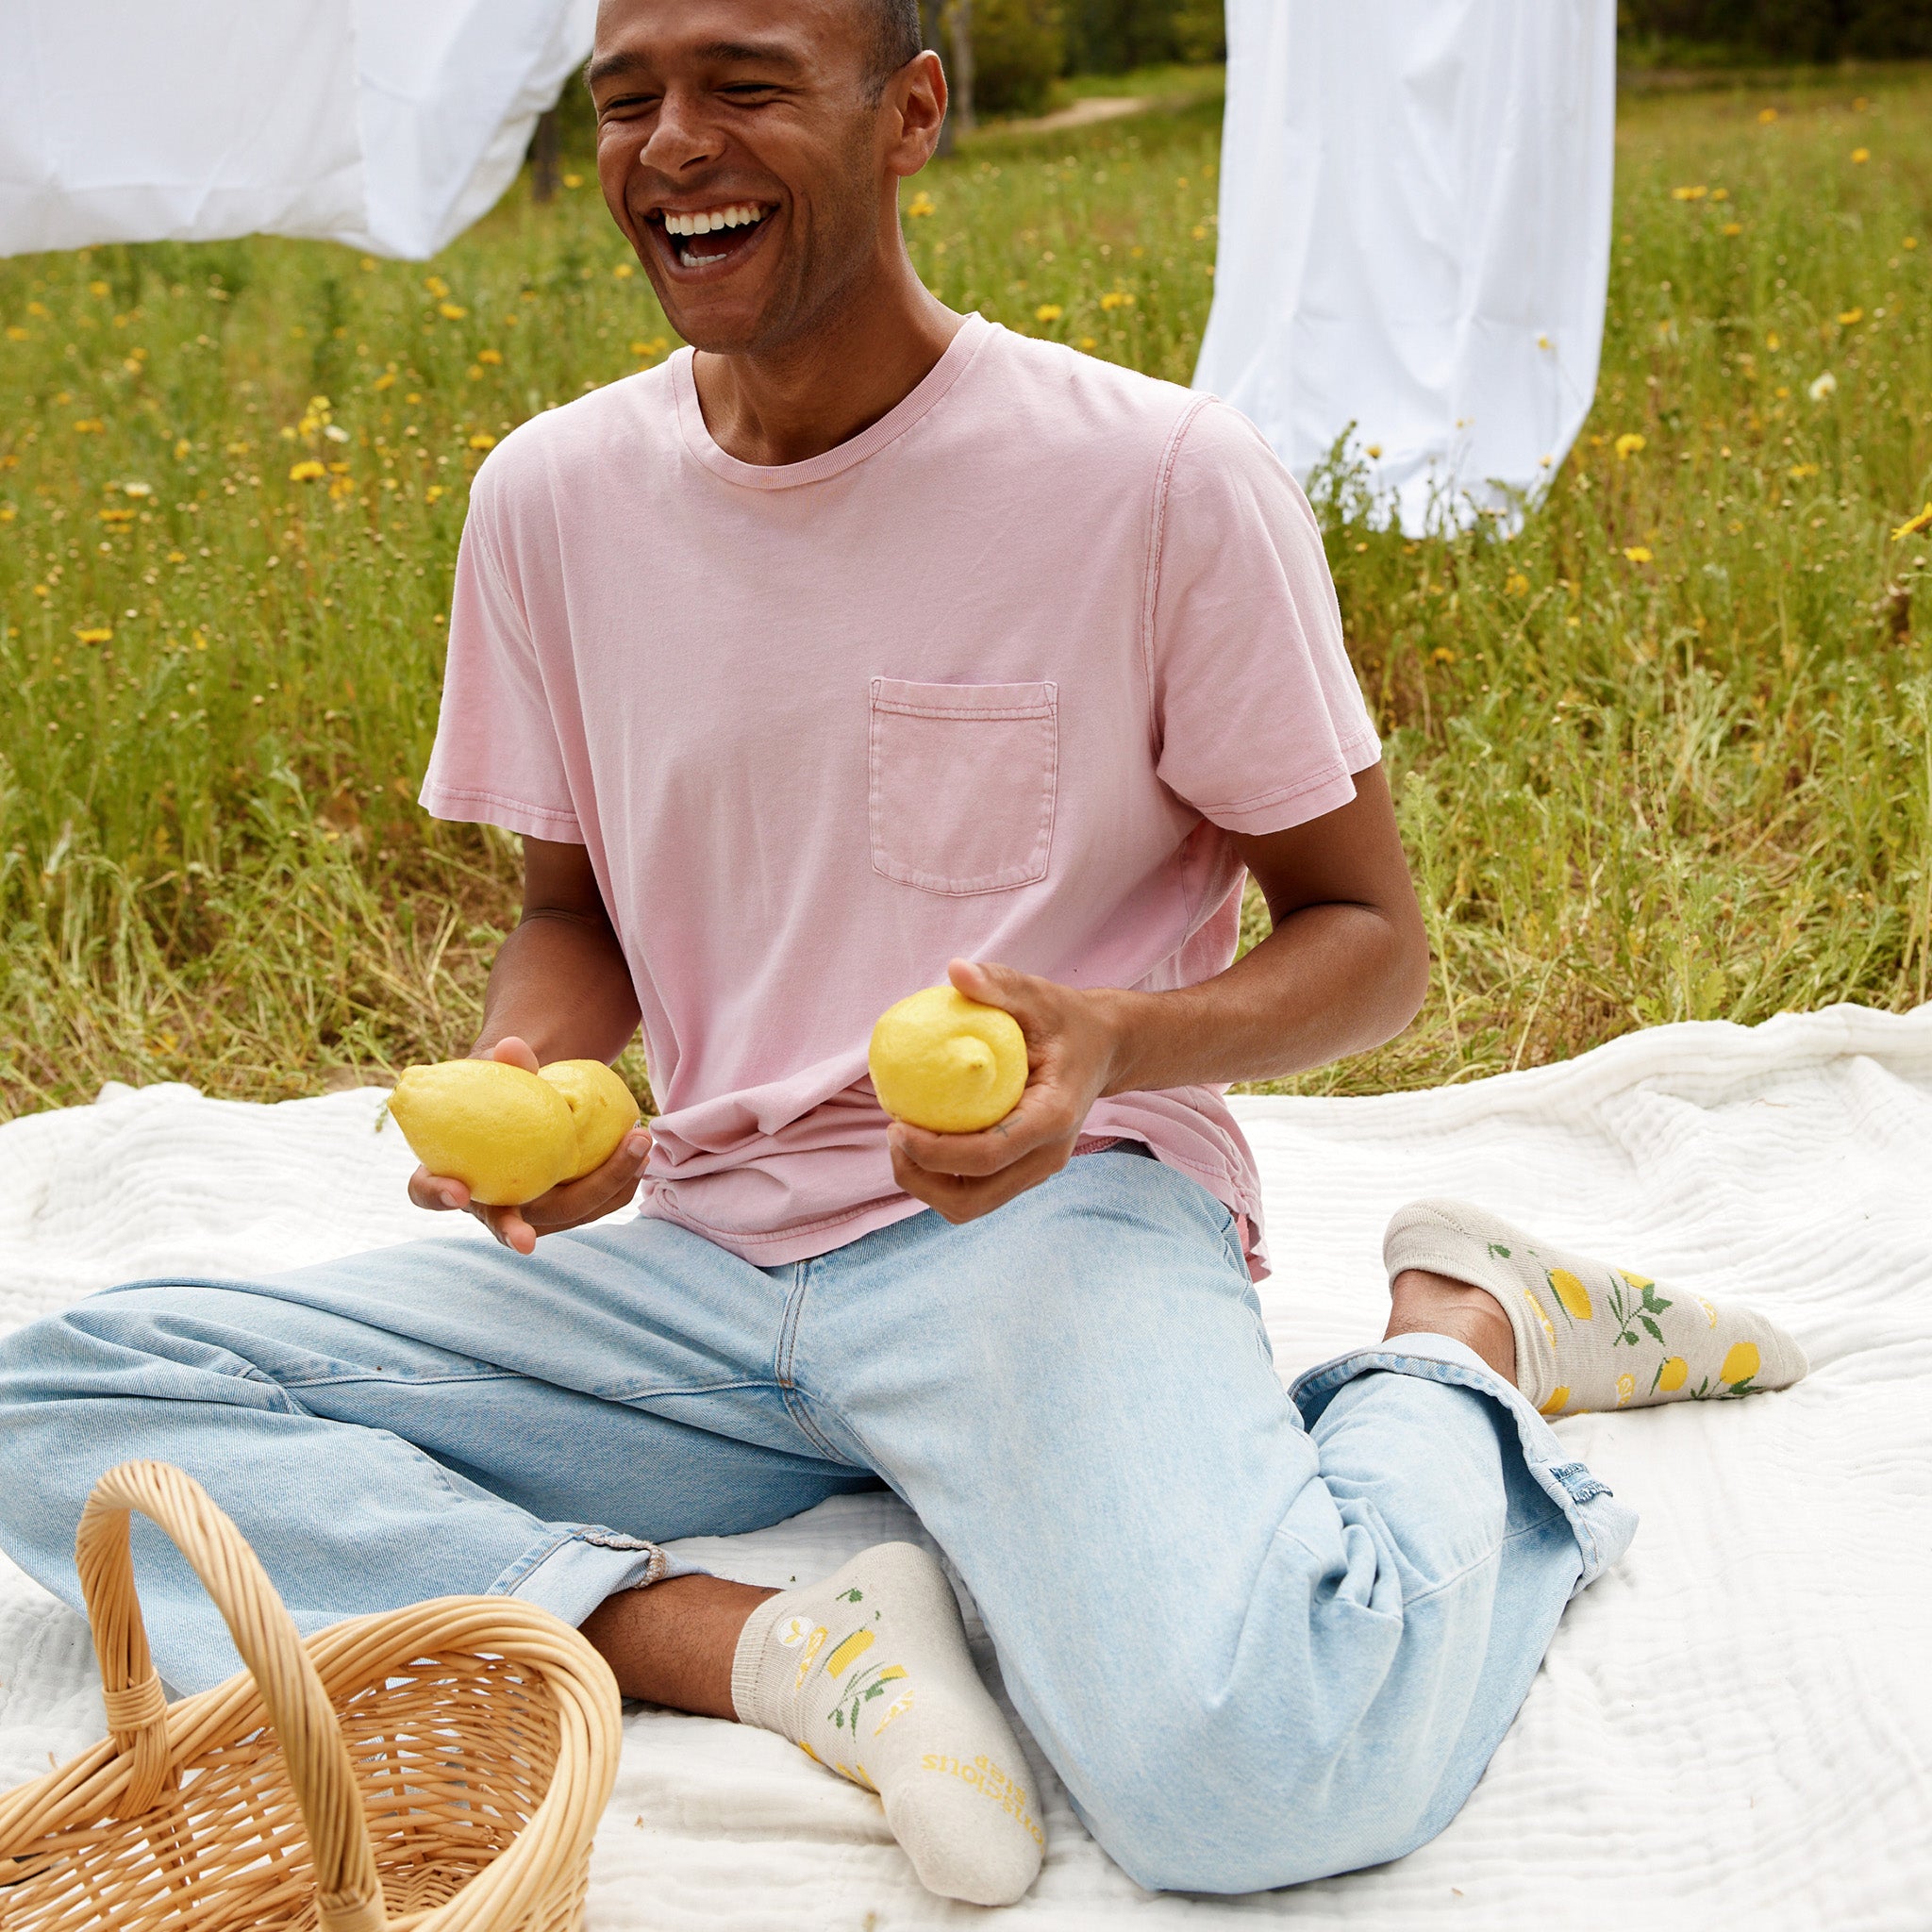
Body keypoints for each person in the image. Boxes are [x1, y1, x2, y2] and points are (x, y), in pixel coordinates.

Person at [0, 0, 1807, 1907]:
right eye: (629, 101)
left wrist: (1111, 1039)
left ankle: (1461, 1342)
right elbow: (569, 912)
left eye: (747, 87)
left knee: (1259, 1782)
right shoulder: (547, 501)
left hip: (1039, 1232)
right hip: (698, 1264)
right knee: (64, 1409)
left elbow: (1370, 940)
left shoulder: (1160, 480)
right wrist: (548, 1082)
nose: (671, 143)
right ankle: (763, 1647)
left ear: (911, 114)